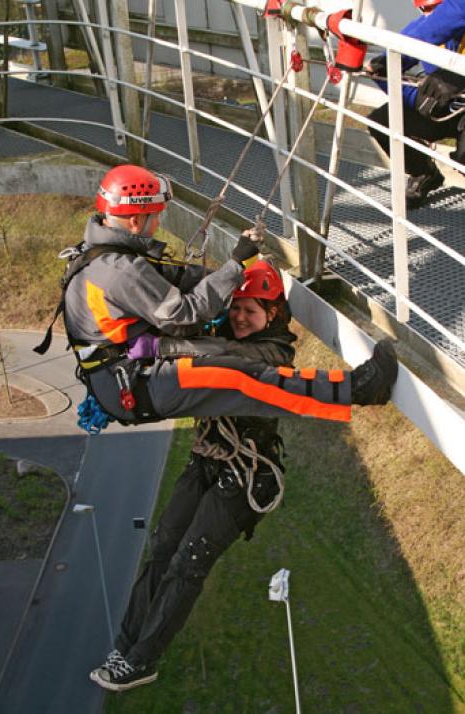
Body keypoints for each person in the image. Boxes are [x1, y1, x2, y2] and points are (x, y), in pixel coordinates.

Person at [87, 262, 318, 691]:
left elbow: (227, 358)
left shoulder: (273, 354)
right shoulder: (224, 337)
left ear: (274, 315)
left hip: (245, 474)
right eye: (236, 309)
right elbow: (201, 327)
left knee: (188, 562)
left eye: (251, 310)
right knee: (161, 549)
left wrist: (164, 348)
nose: (240, 317)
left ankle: (142, 659)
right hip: (207, 461)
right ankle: (125, 644)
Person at [37, 163, 398, 426]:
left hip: (127, 373)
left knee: (239, 365)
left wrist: (236, 277)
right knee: (243, 379)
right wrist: (235, 267)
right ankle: (359, 389)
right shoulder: (118, 269)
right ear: (135, 220)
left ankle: (312, 369)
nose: (158, 223)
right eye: (155, 216)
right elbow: (184, 315)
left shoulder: (103, 253)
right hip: (135, 384)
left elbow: (174, 276)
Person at [366, 0, 465, 208]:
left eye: (437, 8)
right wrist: (383, 69)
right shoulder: (422, 29)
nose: (432, 14)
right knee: (382, 121)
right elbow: (402, 49)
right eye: (425, 9)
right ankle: (424, 173)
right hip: (446, 112)